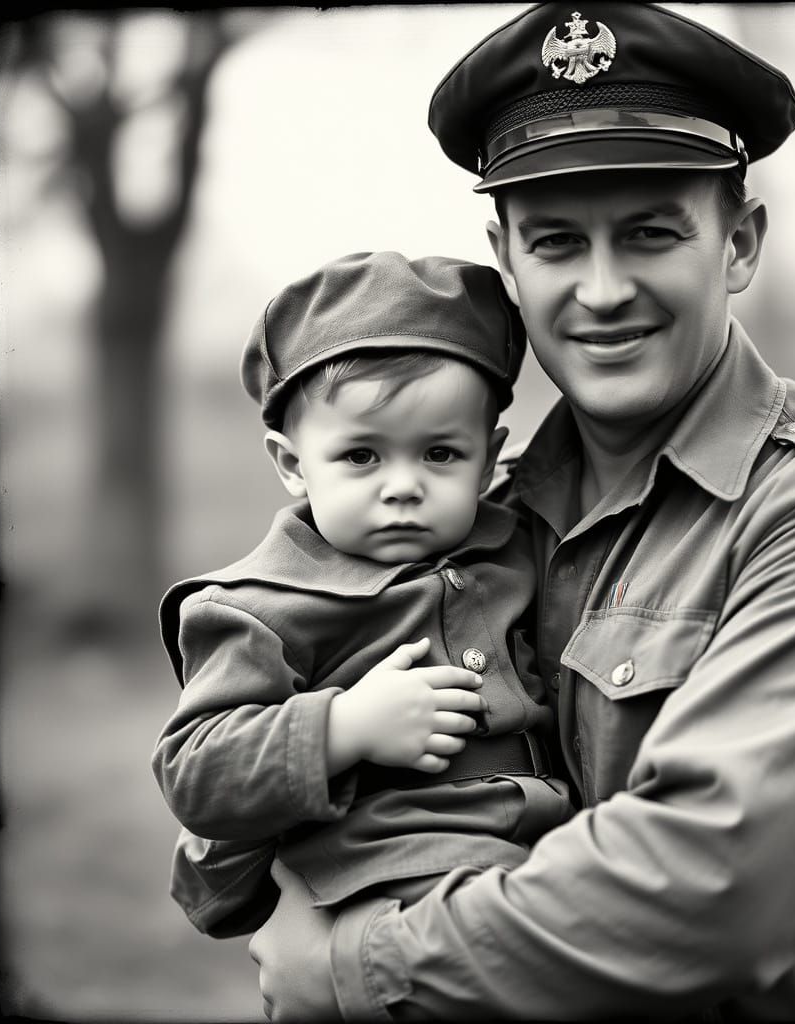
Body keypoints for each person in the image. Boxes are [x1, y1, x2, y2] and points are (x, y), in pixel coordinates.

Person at [247, 4, 795, 1020]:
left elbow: (716, 894)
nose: (600, 291)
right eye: (556, 242)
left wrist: (355, 966)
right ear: (507, 259)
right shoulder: (476, 518)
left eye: (649, 234)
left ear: (738, 243)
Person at [152, 251, 573, 942]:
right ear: (293, 464)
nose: (403, 486)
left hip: (548, 845)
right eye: (361, 456)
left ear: (487, 458)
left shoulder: (516, 542)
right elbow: (195, 771)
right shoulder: (258, 607)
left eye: (441, 454)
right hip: (387, 877)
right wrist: (344, 727)